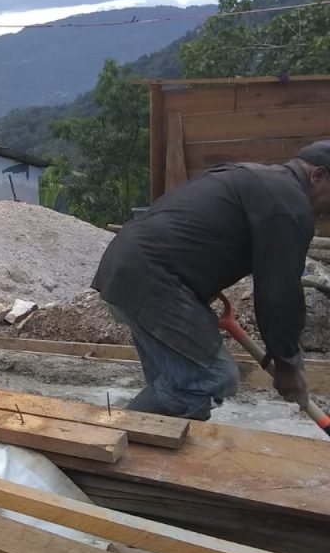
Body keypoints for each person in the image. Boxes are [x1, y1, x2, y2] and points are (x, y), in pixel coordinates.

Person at [93, 140, 330, 421]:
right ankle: (116, 437)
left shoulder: (252, 176)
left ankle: (156, 451)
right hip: (152, 277)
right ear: (318, 175)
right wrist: (288, 364)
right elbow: (279, 291)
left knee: (178, 382)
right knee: (212, 377)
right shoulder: (290, 205)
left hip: (124, 269)